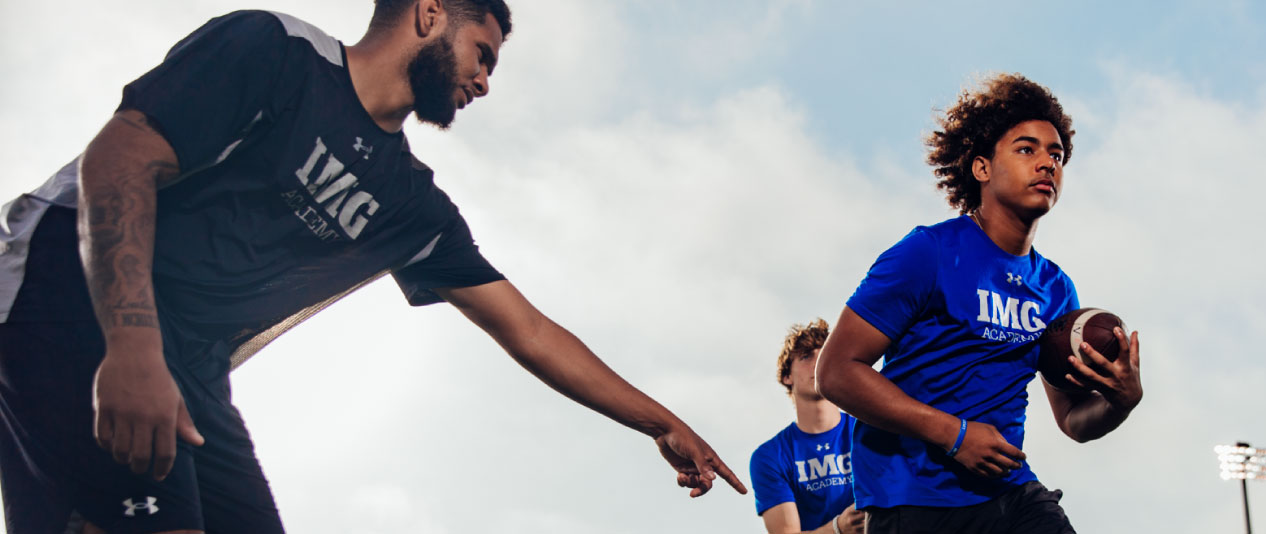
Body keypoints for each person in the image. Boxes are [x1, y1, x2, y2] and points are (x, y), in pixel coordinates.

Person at [0, 2, 744, 532]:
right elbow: (119, 157)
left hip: (190, 365)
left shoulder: (410, 205)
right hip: (70, 295)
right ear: (428, 15)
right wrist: (130, 349)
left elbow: (527, 330)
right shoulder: (276, 53)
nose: (485, 81)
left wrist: (661, 423)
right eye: (482, 54)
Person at [814, 73, 1144, 534]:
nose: (1047, 164)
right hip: (913, 500)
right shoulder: (927, 253)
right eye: (1026, 150)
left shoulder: (1055, 288)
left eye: (1057, 155)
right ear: (982, 168)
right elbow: (835, 372)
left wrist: (1121, 402)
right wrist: (953, 434)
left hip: (1009, 494)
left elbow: (1072, 418)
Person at [750, 319, 866, 534]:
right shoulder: (770, 457)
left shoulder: (869, 431)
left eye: (824, 355)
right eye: (806, 357)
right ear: (787, 377)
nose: (818, 362)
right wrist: (838, 527)